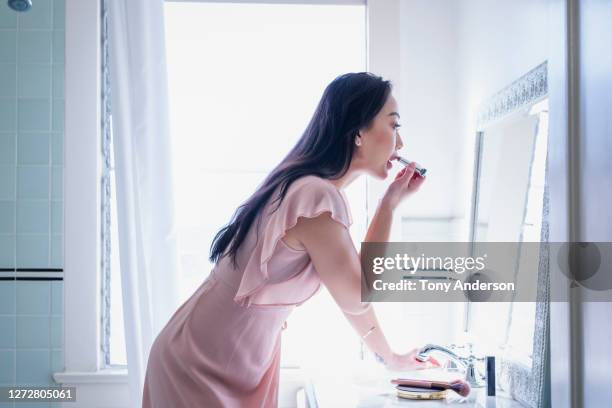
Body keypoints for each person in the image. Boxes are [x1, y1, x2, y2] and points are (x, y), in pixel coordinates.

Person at [142, 72, 434, 408]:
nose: (401, 144)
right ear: (358, 132)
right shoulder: (315, 196)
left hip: (228, 359)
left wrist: (391, 357)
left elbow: (351, 298)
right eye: (394, 125)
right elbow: (359, 297)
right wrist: (389, 206)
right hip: (201, 364)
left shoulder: (310, 191)